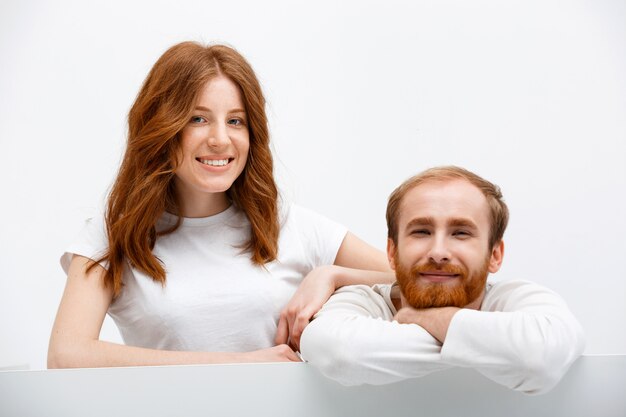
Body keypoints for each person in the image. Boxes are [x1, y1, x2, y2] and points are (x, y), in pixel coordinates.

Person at [47, 41, 392, 368]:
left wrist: (330, 276)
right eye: (197, 118)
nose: (220, 139)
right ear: (161, 128)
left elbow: (417, 282)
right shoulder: (114, 235)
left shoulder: (291, 225)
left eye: (235, 121)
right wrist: (237, 364)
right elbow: (67, 355)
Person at [300, 166, 585, 394]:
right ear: (391, 251)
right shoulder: (361, 301)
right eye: (421, 231)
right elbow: (341, 353)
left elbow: (537, 356)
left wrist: (423, 318)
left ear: (495, 255)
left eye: (461, 233)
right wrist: (495, 350)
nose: (438, 252)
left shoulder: (515, 298)